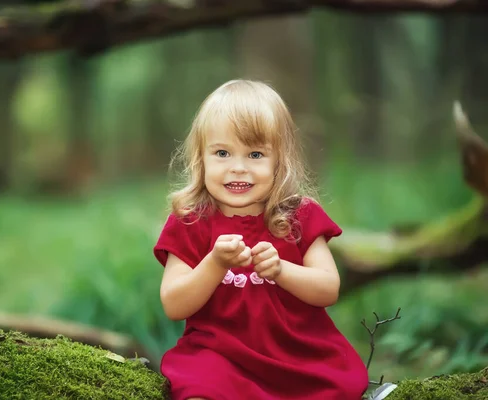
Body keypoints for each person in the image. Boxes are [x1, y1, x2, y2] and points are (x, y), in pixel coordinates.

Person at [153, 79, 369, 400]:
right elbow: (174, 303)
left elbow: (328, 289)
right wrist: (214, 263)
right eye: (223, 153)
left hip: (297, 354)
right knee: (200, 387)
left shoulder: (300, 216)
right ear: (201, 158)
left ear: (279, 161)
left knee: (340, 386)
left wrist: (281, 269)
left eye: (255, 154)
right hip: (220, 355)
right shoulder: (190, 220)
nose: (238, 168)